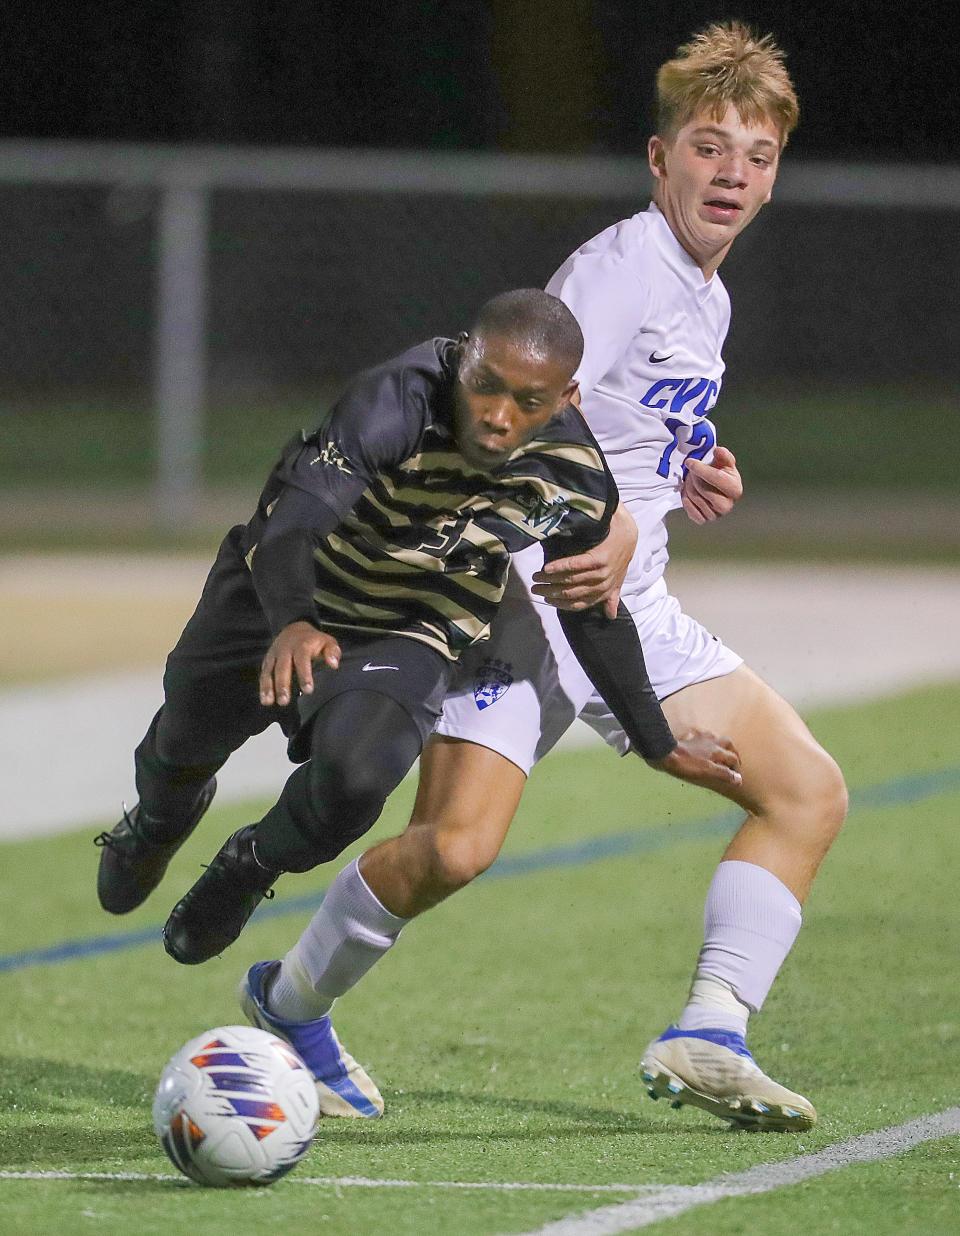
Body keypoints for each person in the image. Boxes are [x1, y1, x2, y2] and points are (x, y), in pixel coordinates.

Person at [234, 23, 847, 1133]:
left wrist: (686, 468)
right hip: (519, 604)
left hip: (622, 610)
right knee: (454, 850)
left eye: (756, 157)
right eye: (709, 147)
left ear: (774, 179)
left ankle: (710, 1032)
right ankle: (287, 1003)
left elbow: (616, 420)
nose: (733, 173)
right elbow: (515, 414)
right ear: (659, 161)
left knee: (806, 793)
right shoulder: (623, 269)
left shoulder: (703, 296)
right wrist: (594, 516)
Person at [95, 289, 741, 1116]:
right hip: (279, 597)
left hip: (409, 625)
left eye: (530, 400)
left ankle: (248, 866)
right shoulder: (393, 400)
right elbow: (292, 524)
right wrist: (292, 620)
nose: (502, 415)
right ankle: (157, 818)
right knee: (187, 735)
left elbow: (591, 610)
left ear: (569, 400)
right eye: (488, 385)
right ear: (463, 355)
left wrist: (655, 739)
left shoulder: (575, 474)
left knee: (362, 778)